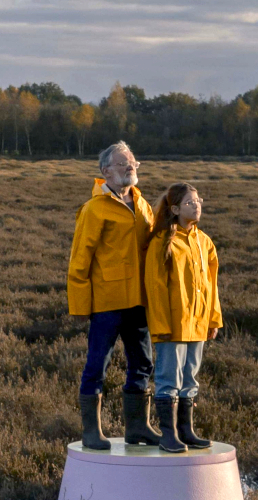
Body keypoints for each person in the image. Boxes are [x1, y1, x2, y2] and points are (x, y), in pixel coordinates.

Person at [66, 141, 159, 450]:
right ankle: (92, 432)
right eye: (122, 163)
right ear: (105, 171)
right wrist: (80, 305)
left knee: (143, 363)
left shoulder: (142, 204)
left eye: (132, 162)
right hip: (106, 302)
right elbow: (80, 259)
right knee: (97, 365)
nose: (129, 167)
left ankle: (138, 428)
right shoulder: (94, 209)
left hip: (138, 301)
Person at [142, 183, 222, 454]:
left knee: (190, 378)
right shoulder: (162, 242)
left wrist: (213, 319)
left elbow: (212, 285)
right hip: (173, 326)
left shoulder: (205, 242)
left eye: (199, 201)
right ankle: (169, 435)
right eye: (190, 202)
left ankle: (187, 431)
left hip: (198, 324)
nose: (197, 206)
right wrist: (161, 327)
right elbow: (155, 288)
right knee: (168, 380)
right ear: (175, 209)